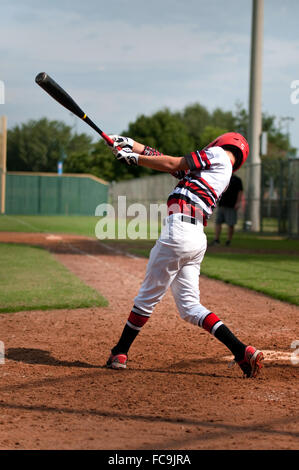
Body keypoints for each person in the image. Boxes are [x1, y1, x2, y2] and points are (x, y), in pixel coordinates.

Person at [105, 132, 264, 378]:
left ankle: (120, 352)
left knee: (147, 298)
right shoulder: (220, 170)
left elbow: (174, 163)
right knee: (190, 306)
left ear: (223, 143)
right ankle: (241, 350)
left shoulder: (217, 154)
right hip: (196, 237)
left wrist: (134, 158)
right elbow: (176, 168)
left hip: (179, 232)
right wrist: (132, 145)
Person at [211, 174, 243, 247]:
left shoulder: (237, 179)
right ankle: (216, 240)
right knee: (218, 222)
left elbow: (240, 192)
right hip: (222, 204)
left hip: (231, 205)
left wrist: (238, 202)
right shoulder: (222, 177)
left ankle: (228, 241)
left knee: (230, 224)